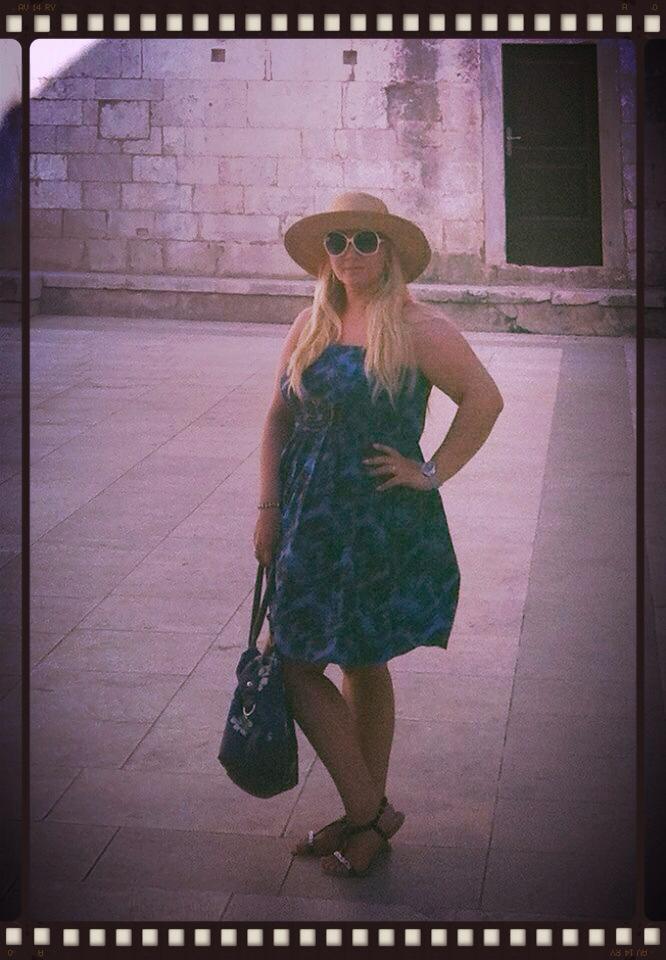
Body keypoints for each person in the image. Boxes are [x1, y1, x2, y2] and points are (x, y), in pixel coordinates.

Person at [253, 191, 504, 878]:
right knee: (297, 662)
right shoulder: (311, 324)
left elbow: (485, 400)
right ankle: (368, 812)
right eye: (337, 241)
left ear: (388, 251)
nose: (349, 253)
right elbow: (277, 418)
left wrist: (430, 471)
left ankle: (363, 816)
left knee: (360, 661)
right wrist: (267, 507)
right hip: (308, 519)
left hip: (376, 522)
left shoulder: (419, 328)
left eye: (365, 239)